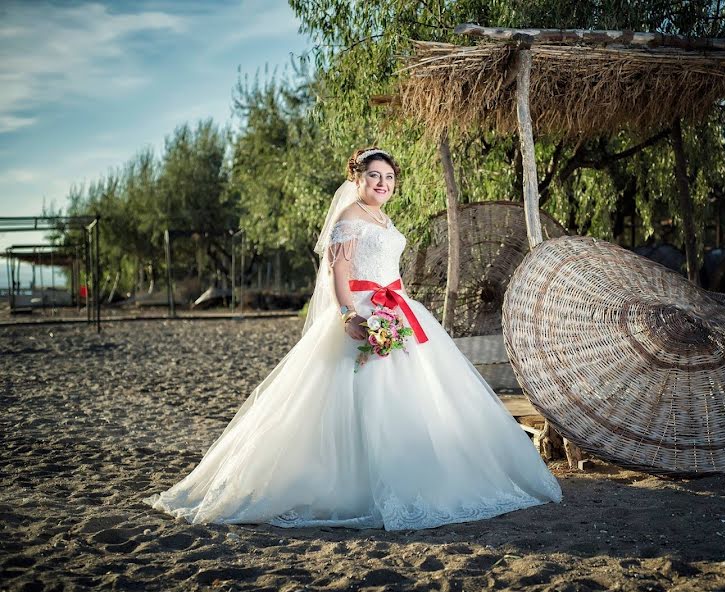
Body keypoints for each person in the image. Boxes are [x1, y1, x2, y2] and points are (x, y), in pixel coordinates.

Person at [144, 147, 561, 530]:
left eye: (389, 178)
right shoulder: (348, 219)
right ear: (357, 179)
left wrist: (397, 305)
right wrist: (348, 315)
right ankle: (352, 485)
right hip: (363, 309)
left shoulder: (383, 219)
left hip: (397, 306)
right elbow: (338, 275)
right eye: (374, 176)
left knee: (418, 393)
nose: (383, 183)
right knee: (357, 392)